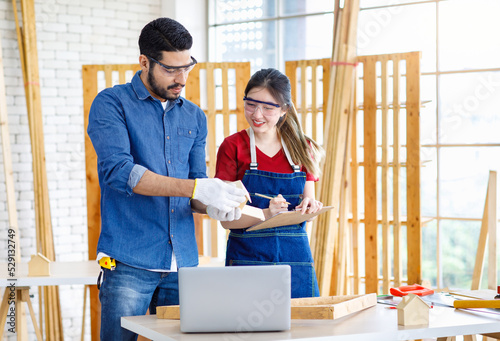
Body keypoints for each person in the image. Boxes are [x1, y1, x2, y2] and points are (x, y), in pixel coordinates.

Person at [87, 17, 246, 340]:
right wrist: (198, 188)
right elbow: (120, 172)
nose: (182, 78)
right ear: (144, 62)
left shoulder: (194, 116)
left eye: (187, 67)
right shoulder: (111, 103)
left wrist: (213, 204)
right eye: (171, 69)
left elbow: (195, 184)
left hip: (183, 264)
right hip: (129, 262)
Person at [215, 68, 325, 298]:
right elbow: (226, 220)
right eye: (251, 104)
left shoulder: (303, 148)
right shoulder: (232, 147)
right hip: (247, 261)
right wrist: (266, 214)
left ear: (284, 110)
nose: (257, 114)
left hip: (295, 261)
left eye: (267, 107)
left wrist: (311, 207)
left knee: (302, 331)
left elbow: (308, 203)